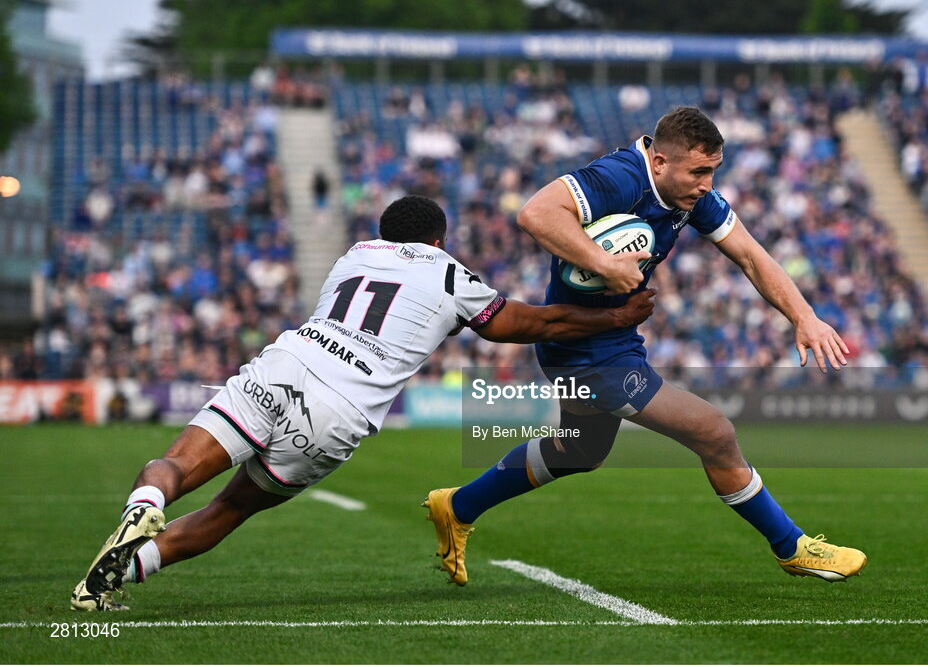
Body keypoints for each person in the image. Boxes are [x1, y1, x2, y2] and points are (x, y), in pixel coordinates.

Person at [70, 195, 655, 611]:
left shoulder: (353, 255)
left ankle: (141, 509)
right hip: (341, 411)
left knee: (176, 464)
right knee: (230, 509)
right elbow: (524, 323)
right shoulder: (450, 274)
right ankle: (123, 574)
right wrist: (612, 316)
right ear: (438, 240)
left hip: (287, 364)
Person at [424, 107, 865, 586]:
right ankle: (792, 546)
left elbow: (752, 257)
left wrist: (805, 317)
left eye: (713, 171)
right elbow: (535, 214)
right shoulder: (620, 177)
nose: (706, 183)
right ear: (659, 163)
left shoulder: (695, 197)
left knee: (580, 452)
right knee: (714, 432)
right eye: (698, 171)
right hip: (586, 348)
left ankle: (459, 505)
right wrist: (605, 264)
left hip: (610, 336)